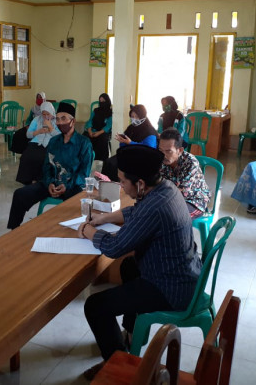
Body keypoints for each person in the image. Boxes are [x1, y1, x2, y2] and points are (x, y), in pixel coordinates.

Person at [80, 145, 202, 380]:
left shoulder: (156, 207)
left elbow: (115, 248)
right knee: (128, 267)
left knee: (95, 306)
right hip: (183, 272)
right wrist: (103, 218)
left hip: (171, 287)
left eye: (123, 182)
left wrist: (87, 231)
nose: (121, 186)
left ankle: (122, 369)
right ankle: (130, 335)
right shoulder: (164, 188)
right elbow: (135, 212)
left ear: (140, 184)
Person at [7, 102, 93, 229]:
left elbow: (84, 174)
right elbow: (47, 167)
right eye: (57, 119)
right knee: (20, 194)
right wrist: (50, 183)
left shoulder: (84, 143)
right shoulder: (53, 141)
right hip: (51, 183)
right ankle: (14, 232)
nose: (60, 122)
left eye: (64, 118)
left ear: (72, 121)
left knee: (74, 208)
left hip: (72, 186)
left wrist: (67, 185)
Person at [159, 128, 211, 218]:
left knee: (171, 216)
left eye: (168, 151)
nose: (163, 155)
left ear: (180, 150)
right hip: (169, 197)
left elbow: (181, 192)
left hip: (194, 201)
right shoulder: (161, 160)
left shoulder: (190, 162)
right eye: (161, 150)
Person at [100, 104, 158, 182]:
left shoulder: (149, 131)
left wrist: (131, 143)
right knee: (108, 162)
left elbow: (148, 149)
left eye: (136, 117)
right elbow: (124, 146)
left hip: (142, 158)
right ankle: (105, 185)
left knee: (116, 166)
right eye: (132, 117)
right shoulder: (131, 128)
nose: (134, 119)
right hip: (129, 154)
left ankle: (119, 188)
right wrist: (122, 141)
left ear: (142, 116)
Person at [15, 101, 60, 185]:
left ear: (52, 112)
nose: (46, 116)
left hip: (50, 143)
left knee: (42, 157)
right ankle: (27, 180)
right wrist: (39, 131)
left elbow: (60, 136)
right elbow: (28, 134)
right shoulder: (36, 119)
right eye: (44, 114)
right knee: (26, 156)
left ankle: (39, 180)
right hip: (36, 142)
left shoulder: (56, 121)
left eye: (48, 114)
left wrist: (50, 128)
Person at [84, 93, 112, 161]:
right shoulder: (95, 110)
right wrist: (90, 131)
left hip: (103, 132)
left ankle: (100, 160)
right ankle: (86, 159)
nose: (101, 103)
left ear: (107, 101)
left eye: (103, 101)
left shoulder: (110, 112)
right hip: (93, 130)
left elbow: (108, 126)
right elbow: (90, 121)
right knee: (84, 137)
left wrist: (98, 133)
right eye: (100, 101)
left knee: (102, 139)